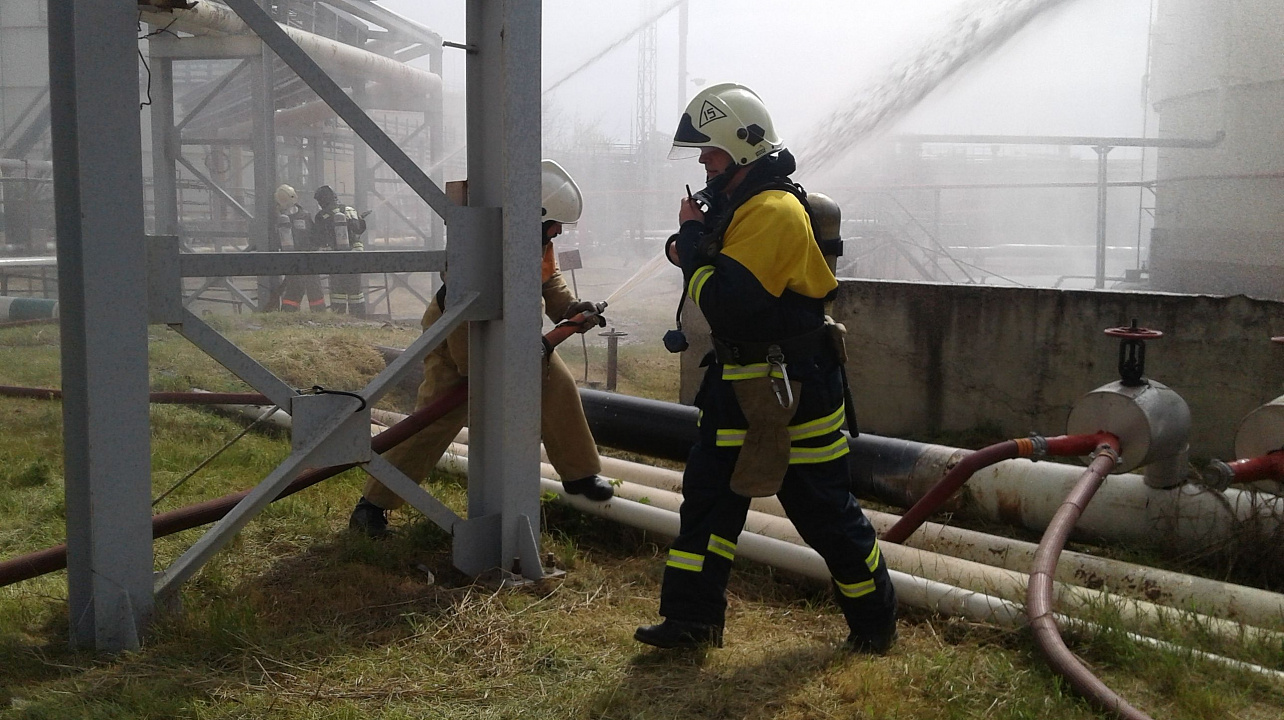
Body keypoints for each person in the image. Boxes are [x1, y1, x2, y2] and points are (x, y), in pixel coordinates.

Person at [634, 83, 898, 653]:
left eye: (711, 152)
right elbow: (723, 279)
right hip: (736, 383)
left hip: (794, 386)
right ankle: (691, 622)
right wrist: (697, 242)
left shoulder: (773, 210)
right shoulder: (743, 208)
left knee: (822, 510)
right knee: (707, 504)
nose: (703, 162)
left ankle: (875, 625)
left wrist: (692, 252)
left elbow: (732, 305)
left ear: (743, 148)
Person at [348, 160, 615, 537]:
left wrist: (570, 309)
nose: (557, 232)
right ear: (531, 215)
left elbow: (549, 281)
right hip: (458, 329)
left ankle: (580, 474)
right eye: (553, 224)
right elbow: (468, 323)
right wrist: (489, 366)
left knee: (559, 385)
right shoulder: (482, 246)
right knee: (435, 419)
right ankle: (371, 506)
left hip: (515, 334)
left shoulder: (537, 240)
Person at [312, 185, 368, 316]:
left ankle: (339, 316)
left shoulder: (321, 216)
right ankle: (359, 317)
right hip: (355, 256)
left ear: (322, 201)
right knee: (356, 291)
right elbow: (359, 229)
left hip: (336, 258)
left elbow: (318, 238)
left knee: (338, 290)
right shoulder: (349, 210)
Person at [275, 184, 328, 312]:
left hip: (309, 259)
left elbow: (314, 235)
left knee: (314, 288)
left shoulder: (305, 215)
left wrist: (316, 249)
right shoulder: (279, 219)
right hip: (292, 260)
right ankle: (288, 316)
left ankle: (319, 316)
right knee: (295, 288)